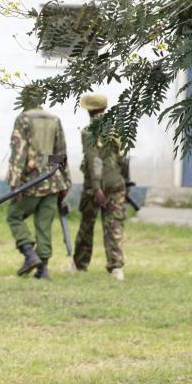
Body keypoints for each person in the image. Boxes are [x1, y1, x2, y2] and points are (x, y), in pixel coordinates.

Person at [5, 95, 71, 280]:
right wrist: (65, 181)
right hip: (53, 180)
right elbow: (60, 153)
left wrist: (15, 182)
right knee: (44, 225)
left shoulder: (24, 119)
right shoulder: (54, 119)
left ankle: (29, 254)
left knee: (14, 216)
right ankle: (43, 270)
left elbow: (19, 152)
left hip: (30, 182)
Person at [75, 94, 126, 281]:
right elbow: (123, 158)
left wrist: (97, 187)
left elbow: (93, 159)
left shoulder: (89, 131)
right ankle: (116, 267)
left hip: (94, 186)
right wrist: (125, 183)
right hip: (117, 182)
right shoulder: (118, 129)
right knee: (114, 225)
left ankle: (80, 264)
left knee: (87, 224)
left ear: (89, 110)